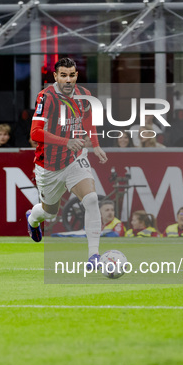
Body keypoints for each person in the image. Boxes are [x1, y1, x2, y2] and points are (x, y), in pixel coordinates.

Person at [25, 57, 108, 269]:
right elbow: (35, 133)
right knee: (49, 213)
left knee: (90, 200)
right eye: (63, 75)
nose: (68, 80)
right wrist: (66, 141)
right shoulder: (46, 97)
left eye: (71, 75)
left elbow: (88, 118)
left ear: (76, 76)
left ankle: (93, 256)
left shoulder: (85, 95)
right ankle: (33, 218)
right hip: (49, 166)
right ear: (55, 76)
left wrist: (95, 144)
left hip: (75, 158)